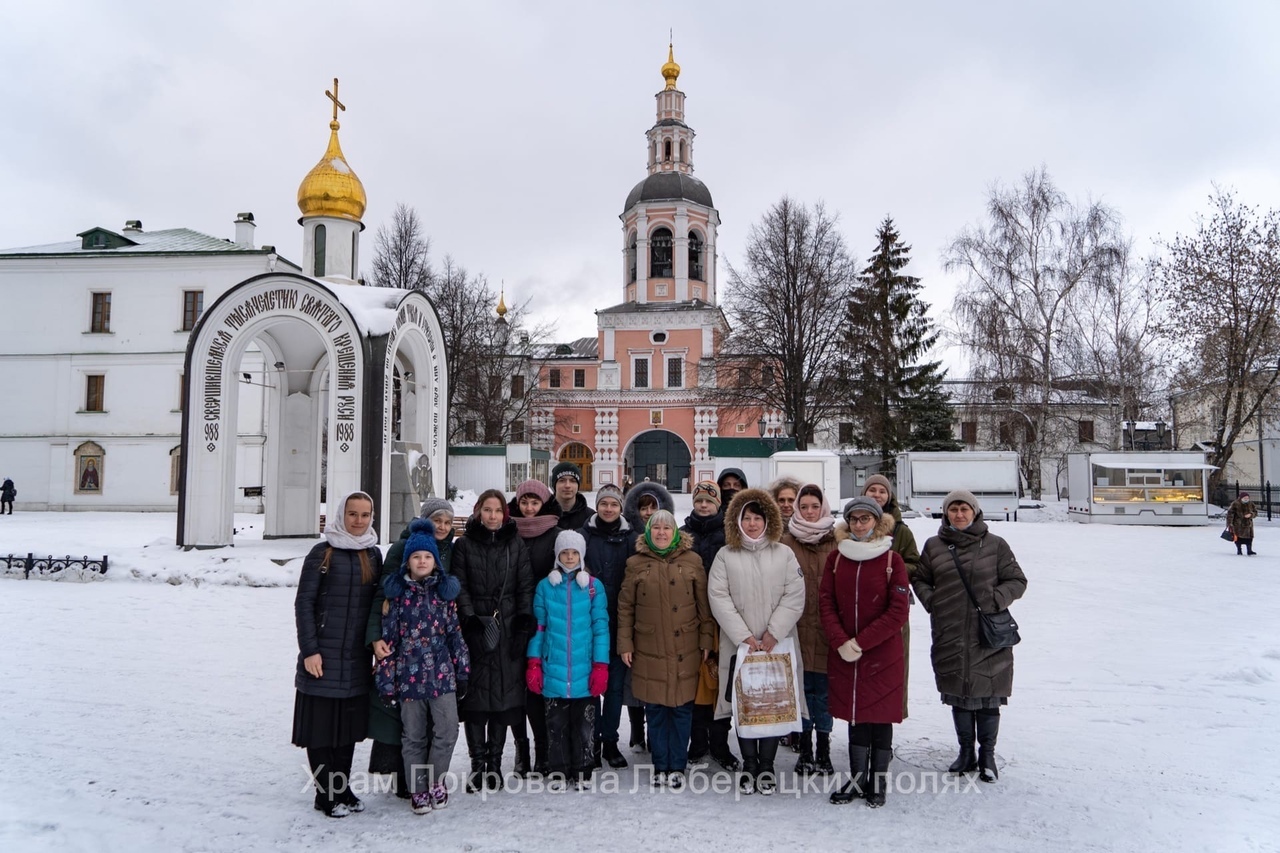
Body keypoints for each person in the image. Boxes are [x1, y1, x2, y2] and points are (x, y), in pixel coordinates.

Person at [914, 489, 1028, 784]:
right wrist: (933, 602)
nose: (959, 514)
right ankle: (966, 752)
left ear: (975, 512)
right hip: (949, 631)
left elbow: (1017, 580)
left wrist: (996, 599)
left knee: (989, 694)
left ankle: (987, 755)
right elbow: (920, 578)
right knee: (959, 693)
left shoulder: (995, 545)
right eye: (953, 509)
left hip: (987, 632)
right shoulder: (934, 546)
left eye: (964, 508)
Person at [707, 489, 807, 796]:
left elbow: (795, 594)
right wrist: (745, 636)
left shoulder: (784, 553)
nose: (751, 524)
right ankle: (749, 764)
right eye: (746, 518)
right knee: (746, 706)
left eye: (757, 518)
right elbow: (718, 597)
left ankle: (767, 766)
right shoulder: (726, 555)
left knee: (773, 705)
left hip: (777, 645)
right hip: (742, 646)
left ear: (768, 521)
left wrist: (774, 632)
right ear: (737, 521)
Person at [292, 490, 383, 818]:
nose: (358, 521)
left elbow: (376, 607)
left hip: (356, 659)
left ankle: (342, 788)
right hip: (323, 657)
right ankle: (325, 793)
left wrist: (375, 645)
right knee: (320, 730)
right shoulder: (322, 552)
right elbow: (304, 604)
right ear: (341, 515)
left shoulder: (372, 555)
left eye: (364, 515)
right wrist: (310, 651)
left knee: (346, 731)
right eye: (352, 514)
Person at [822, 497, 911, 807]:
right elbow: (826, 603)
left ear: (876, 521)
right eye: (854, 519)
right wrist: (841, 641)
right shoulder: (836, 559)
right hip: (845, 652)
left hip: (882, 654)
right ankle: (859, 776)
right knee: (856, 715)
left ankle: (878, 780)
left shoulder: (892, 560)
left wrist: (861, 642)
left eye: (865, 519)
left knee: (880, 717)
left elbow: (898, 610)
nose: (859, 524)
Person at [376, 523, 470, 814]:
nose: (422, 562)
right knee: (413, 736)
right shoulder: (398, 598)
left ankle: (436, 782)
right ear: (408, 561)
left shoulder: (444, 596)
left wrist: (462, 670)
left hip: (442, 676)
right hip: (409, 678)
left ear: (435, 562)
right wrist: (386, 680)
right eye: (416, 557)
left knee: (447, 731)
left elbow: (455, 634)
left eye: (427, 557)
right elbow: (389, 642)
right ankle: (418, 789)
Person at [618, 509, 714, 789]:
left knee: (683, 711)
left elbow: (704, 607)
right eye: (656, 528)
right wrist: (625, 643)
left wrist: (707, 640)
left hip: (686, 647)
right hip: (649, 648)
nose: (661, 533)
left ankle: (677, 766)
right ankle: (661, 764)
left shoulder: (693, 560)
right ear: (648, 533)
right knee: (657, 710)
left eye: (667, 528)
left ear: (676, 533)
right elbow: (625, 607)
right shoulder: (636, 563)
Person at [453, 489, 536, 793]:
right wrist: (469, 619)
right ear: (478, 512)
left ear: (505, 513)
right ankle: (477, 764)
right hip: (475, 627)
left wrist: (524, 622)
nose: (492, 516)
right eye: (487, 510)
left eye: (497, 510)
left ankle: (495, 765)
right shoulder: (463, 545)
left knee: (503, 700)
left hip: (508, 626)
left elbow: (525, 585)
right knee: (476, 700)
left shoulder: (515, 544)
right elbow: (459, 584)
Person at [526, 530, 611, 788]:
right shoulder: (545, 586)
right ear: (557, 555)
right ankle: (559, 770)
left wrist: (600, 666)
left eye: (575, 553)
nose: (570, 557)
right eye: (565, 553)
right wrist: (534, 663)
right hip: (554, 670)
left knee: (584, 726)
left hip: (585, 671)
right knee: (556, 725)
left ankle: (583, 769)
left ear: (582, 555)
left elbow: (601, 628)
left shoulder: (594, 587)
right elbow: (538, 628)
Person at [680, 481, 741, 773]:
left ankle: (719, 743)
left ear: (718, 504)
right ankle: (697, 742)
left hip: (723, 619)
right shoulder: (683, 535)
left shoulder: (729, 535)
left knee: (720, 682)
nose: (704, 505)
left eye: (709, 501)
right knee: (695, 682)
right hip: (690, 620)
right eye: (699, 500)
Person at [580, 483, 638, 769]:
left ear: (620, 507)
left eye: (614, 504)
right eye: (604, 503)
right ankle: (590, 742)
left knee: (614, 689)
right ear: (598, 505)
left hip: (620, 624)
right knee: (592, 686)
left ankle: (610, 741)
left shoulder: (632, 538)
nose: (608, 509)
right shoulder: (583, 536)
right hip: (589, 624)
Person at [781, 483, 838, 777]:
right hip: (797, 631)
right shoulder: (787, 543)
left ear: (823, 507)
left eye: (815, 506)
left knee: (825, 694)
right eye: (804, 507)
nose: (810, 512)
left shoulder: (837, 541)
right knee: (802, 692)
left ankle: (824, 749)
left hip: (828, 632)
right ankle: (804, 749)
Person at [508, 479, 563, 776]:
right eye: (524, 502)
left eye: (535, 502)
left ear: (543, 503)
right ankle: (521, 748)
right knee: (516, 686)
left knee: (538, 687)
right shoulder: (507, 531)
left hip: (545, 619)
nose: (529, 508)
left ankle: (543, 748)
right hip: (513, 617)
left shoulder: (556, 534)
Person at [620, 479, 675, 752]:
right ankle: (636, 729)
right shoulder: (628, 536)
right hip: (638, 618)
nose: (647, 512)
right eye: (643, 507)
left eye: (652, 507)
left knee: (656, 679)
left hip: (660, 619)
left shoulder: (668, 536)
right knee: (635, 681)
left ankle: (654, 732)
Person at [861, 473, 921, 720]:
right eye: (872, 490)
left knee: (891, 669)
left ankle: (885, 726)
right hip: (860, 608)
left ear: (889, 496)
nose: (877, 494)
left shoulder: (901, 532)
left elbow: (915, 564)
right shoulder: (853, 525)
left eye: (882, 491)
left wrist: (891, 570)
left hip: (891, 610)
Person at [551, 462, 591, 530]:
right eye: (562, 480)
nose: (567, 485)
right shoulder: (543, 515)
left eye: (573, 481)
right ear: (555, 485)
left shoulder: (590, 517)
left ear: (578, 485)